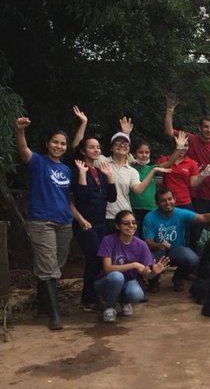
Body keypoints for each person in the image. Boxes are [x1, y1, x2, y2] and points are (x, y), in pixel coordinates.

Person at [71, 108, 171, 231]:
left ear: (129, 149)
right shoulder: (101, 161)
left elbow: (138, 190)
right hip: (105, 215)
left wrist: (152, 172)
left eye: (125, 145)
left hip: (125, 215)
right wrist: (84, 123)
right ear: (111, 148)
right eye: (117, 144)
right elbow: (78, 147)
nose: (122, 146)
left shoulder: (131, 170)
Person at [16, 117, 72, 330]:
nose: (59, 146)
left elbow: (69, 198)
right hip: (42, 221)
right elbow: (23, 151)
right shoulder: (38, 162)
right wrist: (20, 131)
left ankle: (43, 306)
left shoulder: (67, 170)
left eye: (63, 143)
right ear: (48, 143)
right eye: (55, 142)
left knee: (55, 265)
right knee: (48, 267)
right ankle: (54, 315)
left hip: (64, 222)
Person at [163, 93, 210, 246]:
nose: (209, 130)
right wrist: (169, 109)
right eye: (206, 127)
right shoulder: (190, 139)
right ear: (200, 127)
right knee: (195, 229)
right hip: (194, 194)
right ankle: (194, 260)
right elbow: (169, 131)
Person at [143, 187, 210, 292]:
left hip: (176, 250)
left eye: (169, 199)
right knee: (147, 258)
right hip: (158, 251)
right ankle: (153, 280)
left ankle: (178, 278)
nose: (167, 202)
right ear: (157, 203)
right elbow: (147, 242)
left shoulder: (181, 213)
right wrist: (158, 245)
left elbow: (202, 217)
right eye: (163, 200)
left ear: (174, 199)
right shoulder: (150, 217)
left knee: (194, 260)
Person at [70, 134, 117, 312]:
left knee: (96, 260)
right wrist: (82, 174)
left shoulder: (101, 172)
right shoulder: (77, 170)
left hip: (100, 223)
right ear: (83, 150)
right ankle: (89, 298)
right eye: (92, 147)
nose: (96, 150)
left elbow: (111, 198)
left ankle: (92, 297)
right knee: (95, 259)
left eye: (98, 147)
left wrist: (110, 177)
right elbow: (81, 198)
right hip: (85, 223)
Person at [95, 210, 170, 323]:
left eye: (133, 223)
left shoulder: (141, 244)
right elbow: (107, 268)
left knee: (137, 295)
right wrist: (133, 265)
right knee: (117, 276)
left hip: (128, 281)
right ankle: (109, 307)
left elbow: (146, 273)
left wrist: (154, 272)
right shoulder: (108, 240)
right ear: (117, 226)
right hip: (106, 281)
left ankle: (124, 301)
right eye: (126, 223)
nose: (131, 226)